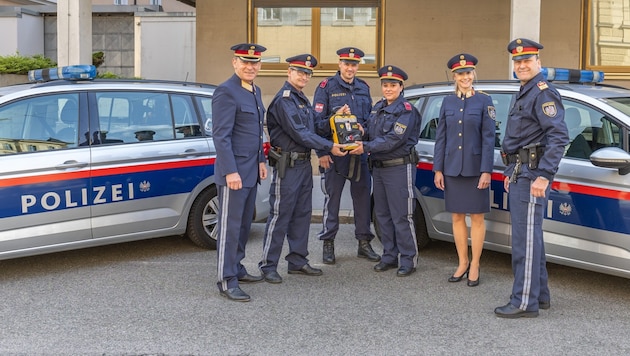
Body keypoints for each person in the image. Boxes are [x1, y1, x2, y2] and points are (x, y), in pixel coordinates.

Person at [494, 39, 569, 318]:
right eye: (517, 61)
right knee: (531, 238)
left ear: (538, 62)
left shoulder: (542, 93)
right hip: (520, 172)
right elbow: (520, 138)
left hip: (532, 175)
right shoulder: (525, 91)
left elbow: (559, 137)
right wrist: (509, 171)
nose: (522, 65)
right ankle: (541, 294)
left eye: (527, 60)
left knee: (524, 242)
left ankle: (524, 302)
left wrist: (544, 176)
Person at [258, 54, 347, 284]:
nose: (303, 76)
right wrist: (330, 147)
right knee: (280, 215)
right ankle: (268, 265)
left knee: (302, 214)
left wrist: (333, 119)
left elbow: (314, 128)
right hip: (287, 166)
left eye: (307, 73)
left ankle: (297, 260)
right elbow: (300, 133)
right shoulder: (285, 100)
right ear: (289, 72)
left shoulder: (301, 99)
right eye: (299, 72)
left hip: (303, 164)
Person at [348, 65, 421, 277]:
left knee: (402, 216)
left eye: (393, 85)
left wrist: (366, 147)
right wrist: (358, 129)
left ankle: (408, 259)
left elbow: (393, 140)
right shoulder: (378, 107)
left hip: (398, 167)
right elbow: (370, 132)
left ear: (401, 87)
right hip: (378, 169)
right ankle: (390, 255)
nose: (388, 89)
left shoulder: (406, 111)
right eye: (385, 85)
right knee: (382, 215)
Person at [212, 43, 268, 302]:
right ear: (235, 62)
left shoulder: (254, 91)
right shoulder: (227, 91)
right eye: (245, 62)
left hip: (250, 171)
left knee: (244, 225)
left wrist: (260, 160)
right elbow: (221, 136)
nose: (250, 66)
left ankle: (238, 267)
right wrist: (230, 172)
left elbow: (255, 132)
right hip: (234, 174)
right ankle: (226, 279)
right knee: (230, 227)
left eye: (254, 63)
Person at [312, 47, 380, 265]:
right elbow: (316, 123)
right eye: (346, 64)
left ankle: (363, 243)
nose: (350, 68)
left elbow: (369, 120)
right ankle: (328, 242)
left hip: (358, 153)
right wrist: (322, 152)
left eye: (354, 64)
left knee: (362, 201)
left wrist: (363, 130)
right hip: (335, 154)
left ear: (357, 66)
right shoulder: (326, 87)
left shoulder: (363, 87)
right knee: (332, 200)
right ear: (339, 65)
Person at [433, 54, 496, 287]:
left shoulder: (484, 101)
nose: (465, 77)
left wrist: (486, 170)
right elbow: (441, 138)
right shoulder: (448, 102)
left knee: (477, 218)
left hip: (475, 169)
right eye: (461, 74)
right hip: (451, 169)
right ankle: (462, 262)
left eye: (469, 73)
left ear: (473, 74)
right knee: (457, 217)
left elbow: (489, 139)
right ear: (454, 76)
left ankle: (476, 264)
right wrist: (438, 169)